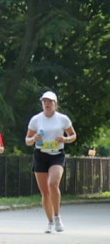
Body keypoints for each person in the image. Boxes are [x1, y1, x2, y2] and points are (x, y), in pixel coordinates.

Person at [25, 91, 77, 233]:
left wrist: (65, 139)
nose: (47, 104)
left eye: (50, 102)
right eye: (44, 102)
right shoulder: (36, 119)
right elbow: (27, 140)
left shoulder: (62, 119)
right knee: (45, 192)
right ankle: (49, 222)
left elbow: (73, 135)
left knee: (53, 183)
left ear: (55, 104)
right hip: (40, 155)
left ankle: (57, 216)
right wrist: (34, 139)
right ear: (42, 103)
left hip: (57, 155)